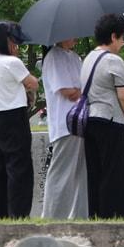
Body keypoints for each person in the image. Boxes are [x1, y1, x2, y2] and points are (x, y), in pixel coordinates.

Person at [80, 14, 124, 219]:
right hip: (110, 121)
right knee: (114, 173)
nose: (122, 43)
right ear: (113, 36)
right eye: (122, 38)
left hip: (90, 120)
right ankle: (113, 216)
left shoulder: (88, 58)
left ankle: (95, 214)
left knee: (95, 171)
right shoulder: (113, 60)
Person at [0, 21, 38, 219]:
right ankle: (18, 212)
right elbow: (33, 82)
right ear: (5, 40)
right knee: (19, 167)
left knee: (0, 168)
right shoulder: (11, 62)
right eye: (12, 40)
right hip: (14, 117)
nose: (15, 45)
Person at [40, 38, 86, 219]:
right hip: (65, 123)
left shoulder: (75, 57)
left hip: (81, 121)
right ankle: (54, 216)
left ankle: (80, 215)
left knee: (81, 173)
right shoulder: (53, 57)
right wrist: (89, 92)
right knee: (62, 173)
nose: (75, 37)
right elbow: (68, 92)